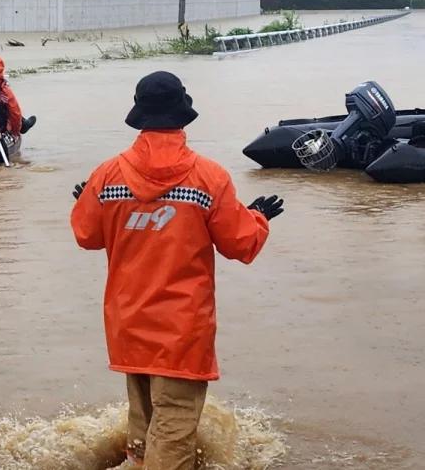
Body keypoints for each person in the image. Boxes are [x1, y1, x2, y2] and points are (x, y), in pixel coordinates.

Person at [69, 71, 283, 470]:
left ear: (139, 116)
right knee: (173, 438)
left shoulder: (107, 175)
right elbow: (242, 244)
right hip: (182, 332)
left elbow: (86, 234)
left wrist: (88, 201)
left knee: (143, 429)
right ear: (183, 117)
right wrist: (258, 218)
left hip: (128, 326)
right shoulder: (209, 178)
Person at [0, 55, 36, 135]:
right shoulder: (3, 90)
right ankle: (23, 125)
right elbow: (15, 112)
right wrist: (15, 131)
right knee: (7, 108)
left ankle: (23, 123)